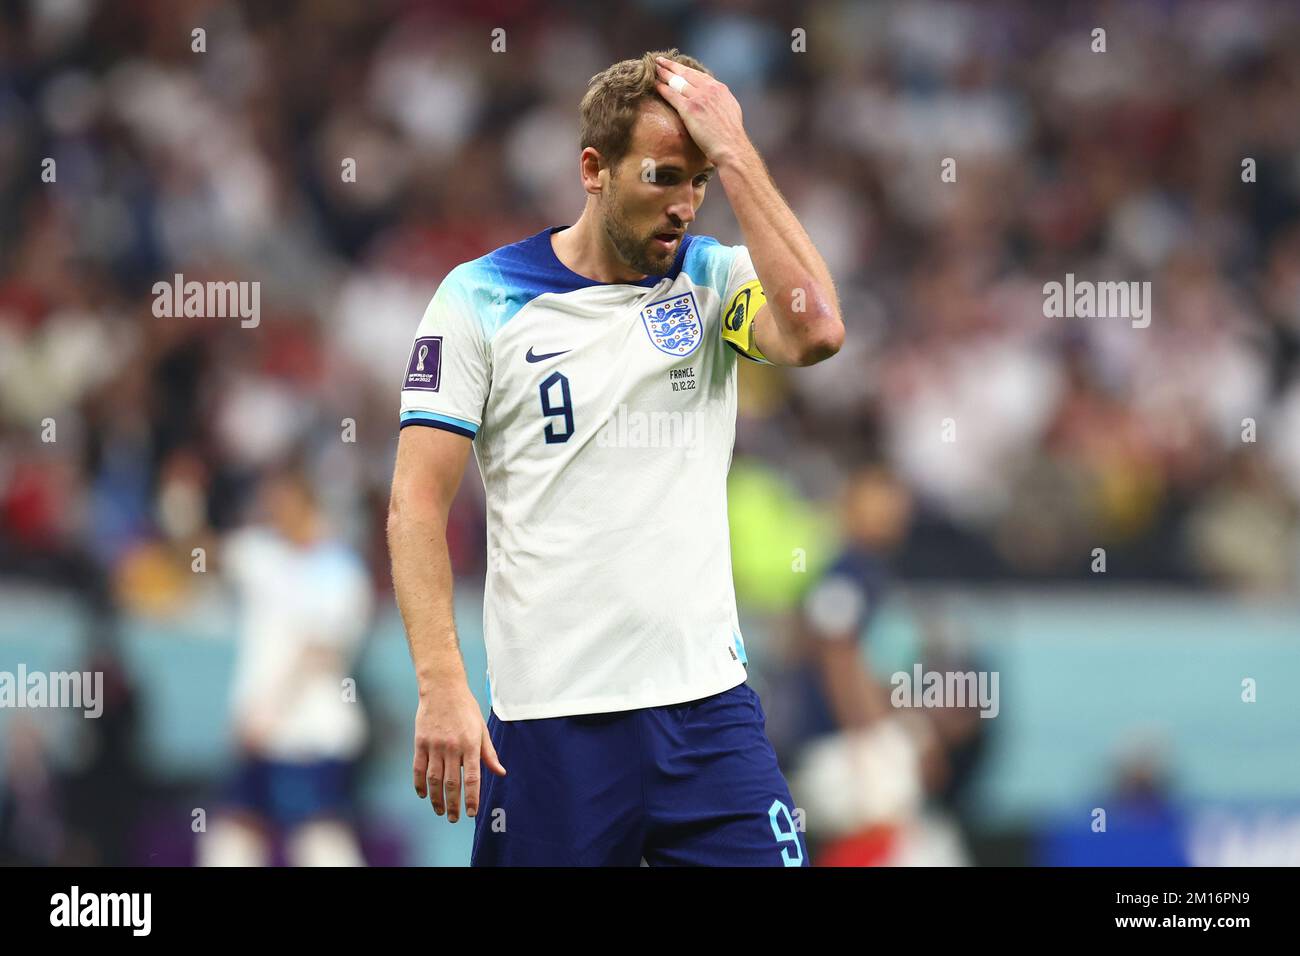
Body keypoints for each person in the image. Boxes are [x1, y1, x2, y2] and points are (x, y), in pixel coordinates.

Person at [388, 49, 843, 866]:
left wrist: (737, 152)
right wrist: (441, 684)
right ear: (593, 170)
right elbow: (415, 504)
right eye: (665, 177)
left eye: (699, 181)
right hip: (555, 724)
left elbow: (817, 331)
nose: (686, 205)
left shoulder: (711, 280)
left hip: (709, 714)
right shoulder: (478, 299)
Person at [198, 465, 373, 867]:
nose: (276, 512)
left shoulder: (339, 571)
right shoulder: (261, 554)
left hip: (311, 732)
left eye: (285, 503)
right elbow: (206, 555)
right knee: (233, 837)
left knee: (319, 842)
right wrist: (183, 509)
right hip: (261, 733)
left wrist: (269, 710)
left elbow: (321, 653)